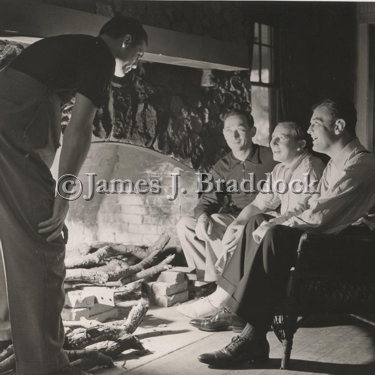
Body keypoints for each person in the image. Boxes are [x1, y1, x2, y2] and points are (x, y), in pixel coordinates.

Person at [0, 16, 147, 375]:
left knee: (17, 247)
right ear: (125, 41)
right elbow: (79, 131)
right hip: (11, 144)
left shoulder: (74, 48)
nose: (136, 63)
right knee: (43, 241)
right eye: (139, 54)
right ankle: (45, 365)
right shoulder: (99, 54)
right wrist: (65, 193)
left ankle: (29, 351)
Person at [197, 98, 375, 368]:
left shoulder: (361, 165)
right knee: (257, 221)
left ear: (339, 126)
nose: (310, 129)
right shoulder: (333, 165)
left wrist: (277, 226)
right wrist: (269, 222)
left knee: (274, 234)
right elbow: (311, 210)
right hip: (329, 240)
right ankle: (231, 307)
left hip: (353, 250)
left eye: (316, 123)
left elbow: (320, 216)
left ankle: (247, 332)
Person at [186, 121, 325, 322]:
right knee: (253, 221)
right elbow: (259, 203)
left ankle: (226, 304)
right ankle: (224, 300)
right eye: (273, 137)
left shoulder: (310, 168)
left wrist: (266, 225)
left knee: (260, 225)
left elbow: (301, 211)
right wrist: (236, 225)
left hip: (304, 236)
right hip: (286, 231)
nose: (273, 142)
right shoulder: (281, 169)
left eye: (282, 138)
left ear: (301, 145)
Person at [176, 109, 277, 317]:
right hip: (234, 217)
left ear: (252, 131)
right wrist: (202, 216)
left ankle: (226, 289)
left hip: (263, 217)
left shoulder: (270, 158)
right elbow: (207, 199)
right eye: (229, 130)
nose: (234, 135)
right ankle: (209, 284)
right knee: (186, 224)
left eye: (240, 129)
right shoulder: (222, 166)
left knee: (217, 220)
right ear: (224, 134)